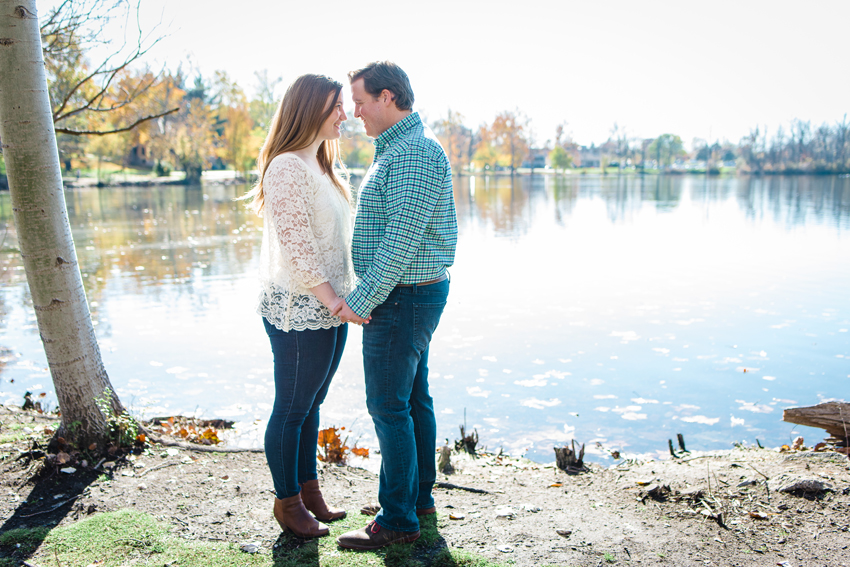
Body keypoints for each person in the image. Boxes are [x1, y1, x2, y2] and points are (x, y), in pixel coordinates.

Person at [334, 61, 458, 550]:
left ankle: (398, 522)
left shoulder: (411, 154)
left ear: (387, 98)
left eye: (361, 102)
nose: (355, 113)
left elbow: (400, 240)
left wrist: (360, 301)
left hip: (402, 296)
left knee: (388, 405)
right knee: (411, 400)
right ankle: (414, 499)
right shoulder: (399, 150)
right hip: (409, 293)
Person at [245, 74, 367, 539]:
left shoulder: (322, 165)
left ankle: (309, 491)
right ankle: (287, 502)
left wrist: (346, 297)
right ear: (312, 108)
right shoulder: (286, 168)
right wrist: (333, 301)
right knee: (292, 407)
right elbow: (298, 249)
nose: (345, 115)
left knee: (312, 402)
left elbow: (338, 242)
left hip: (331, 306)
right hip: (299, 308)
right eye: (337, 106)